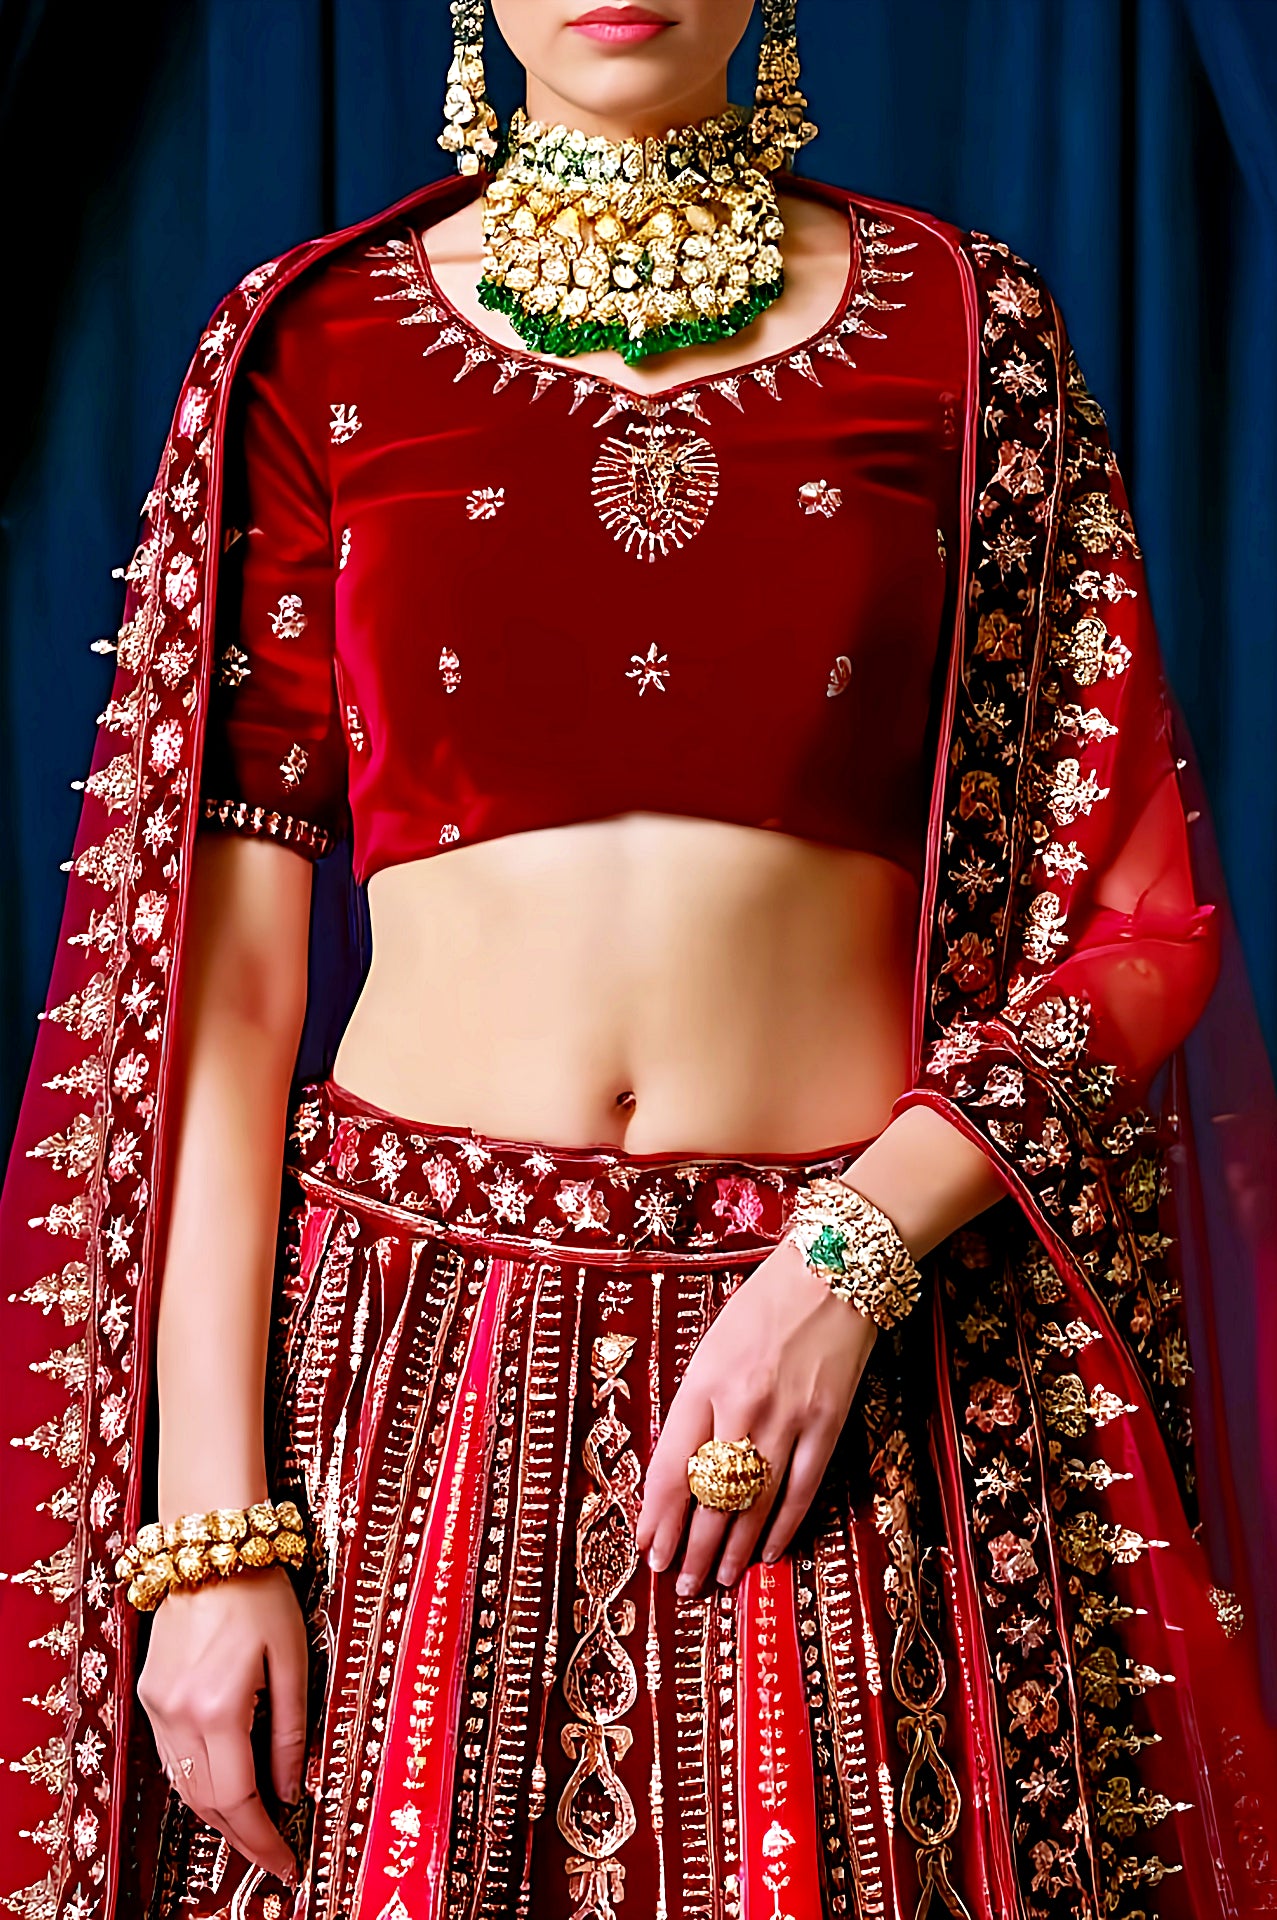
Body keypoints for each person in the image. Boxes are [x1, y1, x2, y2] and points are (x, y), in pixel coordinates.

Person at [3, 1, 1277, 1915]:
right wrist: (209, 1531)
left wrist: (849, 1260)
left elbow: (1137, 932)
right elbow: (224, 999)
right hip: (406, 1377)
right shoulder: (311, 344)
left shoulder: (965, 330)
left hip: (852, 1370)